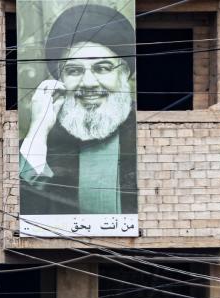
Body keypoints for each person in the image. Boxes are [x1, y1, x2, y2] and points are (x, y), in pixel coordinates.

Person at [19, 4, 137, 218]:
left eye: (103, 68)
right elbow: (24, 209)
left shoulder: (146, 136)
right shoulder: (40, 143)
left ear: (124, 73)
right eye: (74, 71)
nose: (89, 83)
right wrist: (38, 129)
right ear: (60, 80)